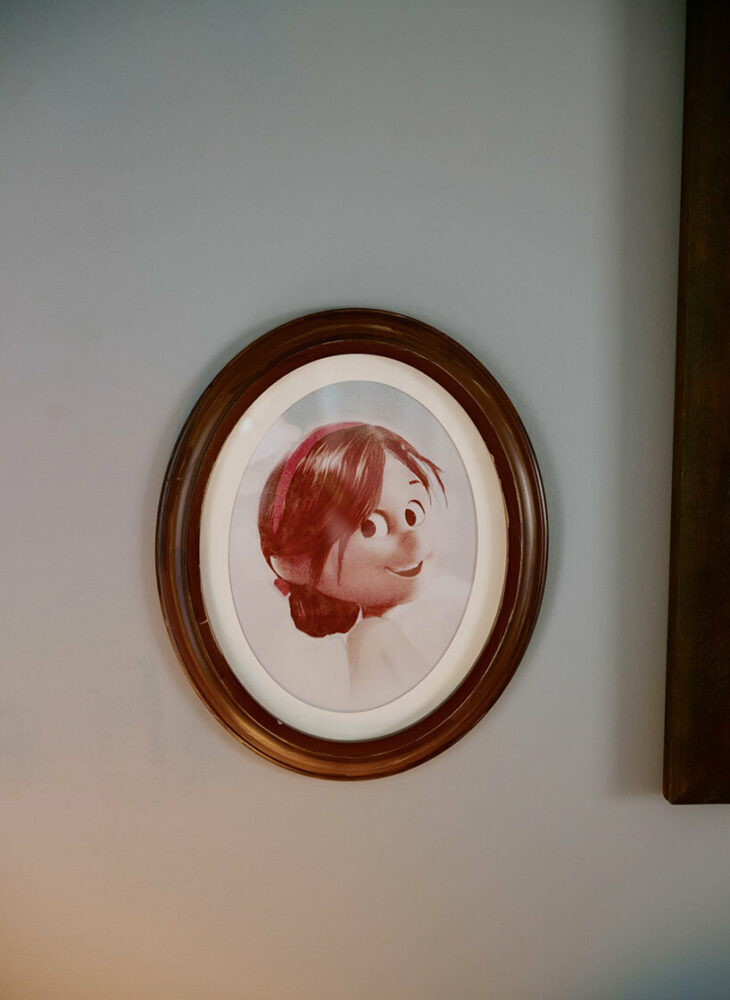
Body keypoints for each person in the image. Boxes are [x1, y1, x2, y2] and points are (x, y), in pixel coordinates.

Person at [257, 422, 445, 702]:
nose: (416, 542)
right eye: (371, 527)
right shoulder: (372, 637)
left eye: (413, 513)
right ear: (293, 564)